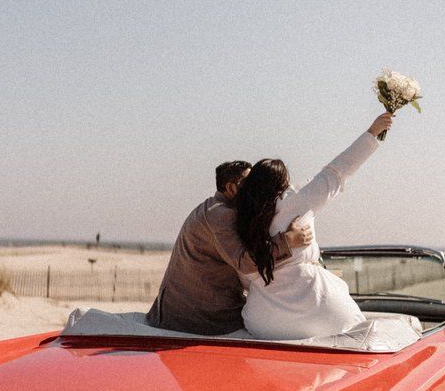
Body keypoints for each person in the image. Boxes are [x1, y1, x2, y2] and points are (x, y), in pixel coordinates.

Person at [235, 112, 393, 340]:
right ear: (282, 184)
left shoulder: (242, 218)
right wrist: (372, 133)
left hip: (262, 322)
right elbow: (337, 171)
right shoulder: (295, 200)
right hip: (319, 312)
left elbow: (242, 273)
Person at [147, 160, 313, 335]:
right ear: (232, 189)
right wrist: (287, 242)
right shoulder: (220, 214)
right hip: (197, 320)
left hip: (180, 314)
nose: (253, 189)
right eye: (248, 184)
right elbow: (246, 264)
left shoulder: (212, 208)